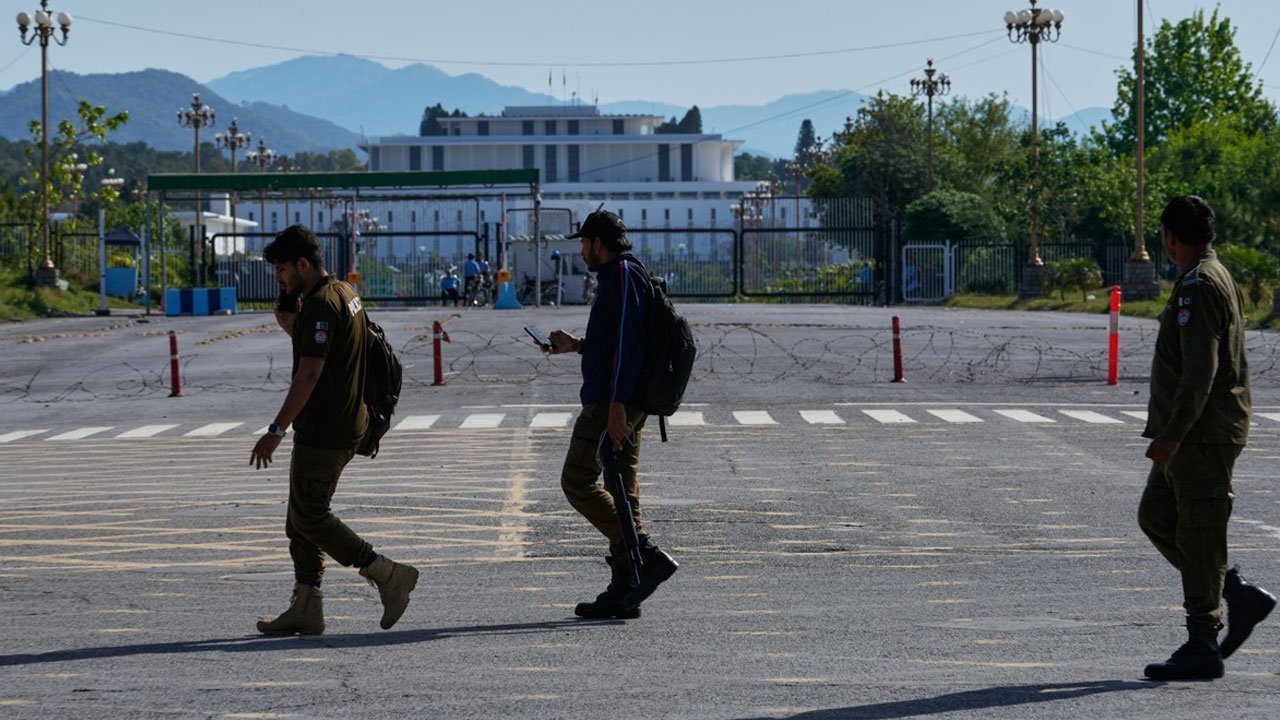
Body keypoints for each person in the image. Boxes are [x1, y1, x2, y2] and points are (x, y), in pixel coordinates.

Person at [252, 224, 420, 636]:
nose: (279, 277)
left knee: (310, 514)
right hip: (344, 420)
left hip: (327, 427)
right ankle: (307, 604)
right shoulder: (345, 293)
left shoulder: (322, 306)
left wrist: (276, 429)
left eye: (282, 269)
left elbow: (309, 375)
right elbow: (337, 354)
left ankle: (385, 573)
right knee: (299, 517)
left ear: (303, 265)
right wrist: (294, 326)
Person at [1138, 196, 1275, 681]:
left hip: (1200, 434)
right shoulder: (1212, 274)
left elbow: (1201, 371)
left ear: (1170, 238)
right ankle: (1235, 592)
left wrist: (1173, 435)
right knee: (1157, 515)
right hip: (1198, 432)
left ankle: (1203, 642)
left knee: (1199, 529)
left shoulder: (1199, 284)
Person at [543, 209, 678, 619]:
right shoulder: (624, 275)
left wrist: (616, 407)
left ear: (598, 243)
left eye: (584, 243)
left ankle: (646, 555)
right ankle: (627, 586)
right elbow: (613, 341)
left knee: (577, 480)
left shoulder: (619, 275)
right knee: (623, 490)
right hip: (624, 398)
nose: (581, 250)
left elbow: (627, 344)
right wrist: (577, 345)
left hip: (611, 402)